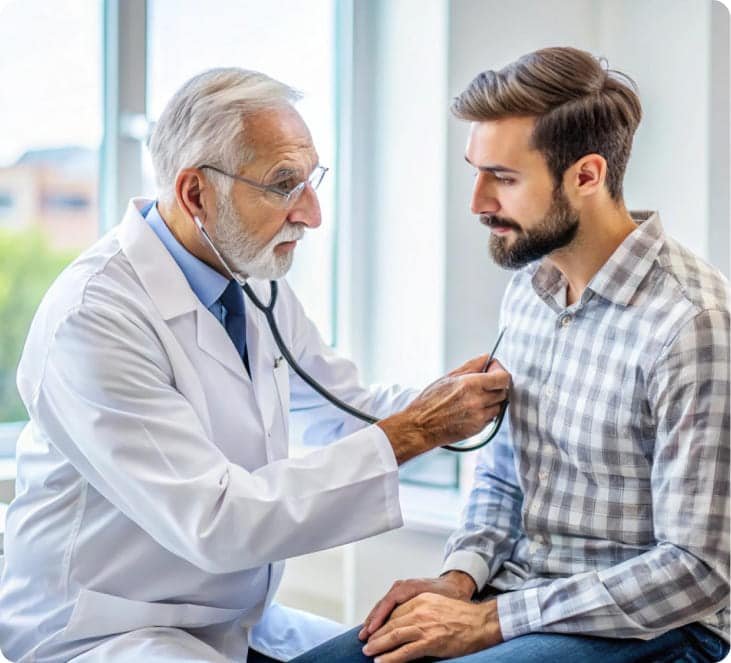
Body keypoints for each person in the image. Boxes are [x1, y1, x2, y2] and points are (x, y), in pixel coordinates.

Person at [0, 69, 510, 663]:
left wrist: (465, 398)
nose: (313, 214)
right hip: (104, 630)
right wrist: (419, 428)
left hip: (229, 620)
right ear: (196, 194)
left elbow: (342, 408)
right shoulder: (94, 318)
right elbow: (213, 520)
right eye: (284, 184)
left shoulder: (248, 280)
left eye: (311, 180)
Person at [291, 47, 730, 663]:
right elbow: (504, 476)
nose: (476, 201)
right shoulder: (530, 286)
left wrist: (490, 620)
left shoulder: (692, 324)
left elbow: (697, 570)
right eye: (476, 170)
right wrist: (459, 580)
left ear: (586, 176)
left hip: (655, 628)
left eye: (503, 177)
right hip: (518, 596)